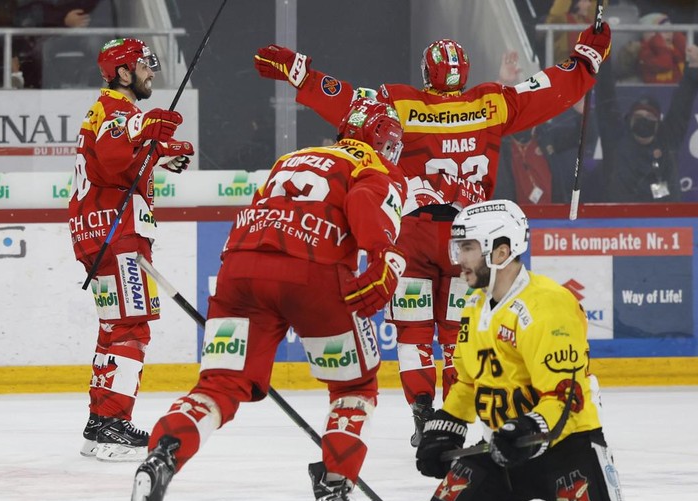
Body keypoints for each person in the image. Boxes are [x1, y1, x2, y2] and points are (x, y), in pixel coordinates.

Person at [253, 23, 611, 448]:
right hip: (469, 239)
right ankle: (454, 420)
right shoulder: (492, 102)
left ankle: (424, 416)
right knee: (460, 334)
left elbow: (349, 102)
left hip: (412, 231)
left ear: (428, 74)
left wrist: (303, 75)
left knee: (413, 331)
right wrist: (587, 59)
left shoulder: (399, 102)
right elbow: (550, 89)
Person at [129, 97, 408, 501]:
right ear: (384, 142)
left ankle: (163, 456)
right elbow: (362, 202)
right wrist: (383, 256)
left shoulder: (292, 157)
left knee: (218, 387)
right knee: (354, 389)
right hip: (312, 271)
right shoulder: (375, 167)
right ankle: (335, 495)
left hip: (239, 271)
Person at [413, 199, 695, 501]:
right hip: (502, 448)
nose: (458, 258)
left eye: (467, 248)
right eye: (458, 247)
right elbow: (469, 381)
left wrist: (526, 428)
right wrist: (444, 426)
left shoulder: (548, 306)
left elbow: (566, 398)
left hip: (564, 446)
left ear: (501, 250)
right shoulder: (474, 306)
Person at [68, 38, 194, 461]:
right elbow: (113, 155)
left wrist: (160, 153)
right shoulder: (118, 111)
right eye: (143, 65)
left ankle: (99, 422)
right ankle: (113, 426)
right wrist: (151, 128)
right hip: (117, 233)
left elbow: (120, 163)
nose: (150, 72)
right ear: (123, 72)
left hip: (99, 232)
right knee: (132, 328)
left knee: (114, 327)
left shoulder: (108, 111)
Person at [594, 43, 698, 202]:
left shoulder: (667, 139)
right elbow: (605, 97)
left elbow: (682, 106)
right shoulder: (616, 139)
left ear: (658, 123)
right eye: (638, 116)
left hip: (665, 220)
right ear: (629, 119)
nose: (644, 121)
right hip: (620, 220)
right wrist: (603, 55)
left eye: (650, 117)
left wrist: (694, 67)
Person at [637, 12, 687, 84]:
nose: (669, 33)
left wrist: (677, 36)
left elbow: (687, 53)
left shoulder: (673, 47)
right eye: (665, 30)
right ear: (652, 34)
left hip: (679, 90)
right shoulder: (645, 52)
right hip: (658, 92)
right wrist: (659, 45)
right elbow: (664, 64)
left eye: (671, 30)